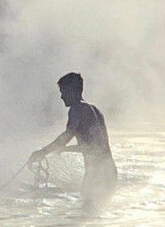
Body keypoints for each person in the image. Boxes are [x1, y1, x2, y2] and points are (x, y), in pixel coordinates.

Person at [30, 71, 117, 208]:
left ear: (73, 90)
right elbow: (95, 147)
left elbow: (66, 136)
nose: (61, 96)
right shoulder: (95, 110)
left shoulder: (76, 109)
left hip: (97, 175)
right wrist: (63, 149)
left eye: (63, 91)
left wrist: (41, 153)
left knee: (84, 218)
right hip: (109, 171)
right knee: (95, 218)